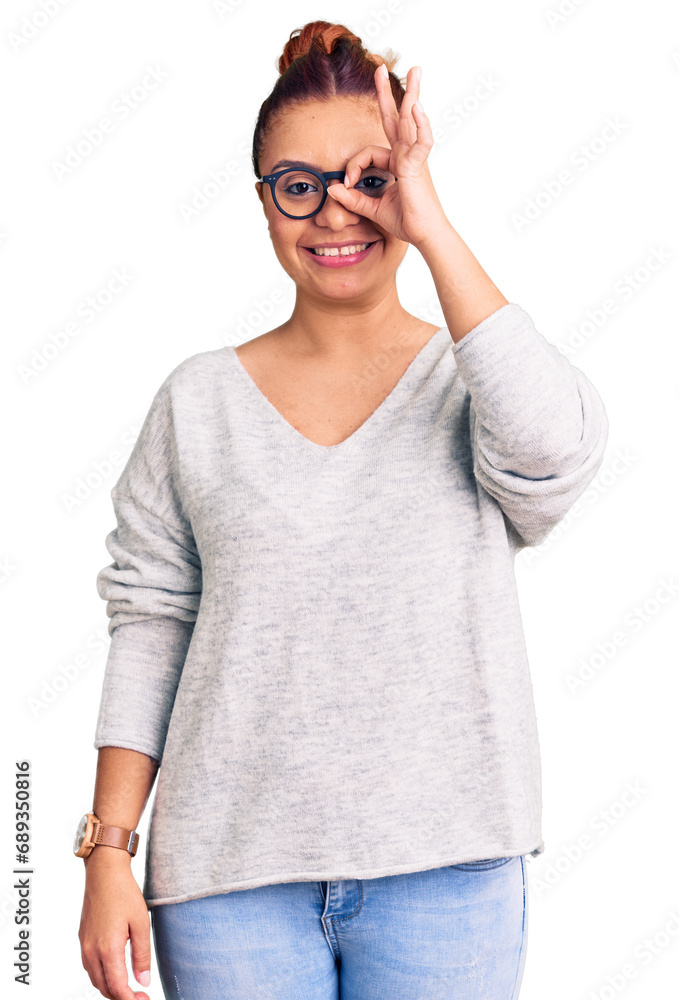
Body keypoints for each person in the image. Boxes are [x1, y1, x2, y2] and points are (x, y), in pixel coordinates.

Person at [76, 20, 609, 1000]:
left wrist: (430, 224)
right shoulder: (196, 403)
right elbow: (151, 620)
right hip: (227, 886)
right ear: (263, 200)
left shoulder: (471, 380)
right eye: (299, 185)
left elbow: (554, 455)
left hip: (447, 873)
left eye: (368, 179)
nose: (334, 213)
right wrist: (107, 849)